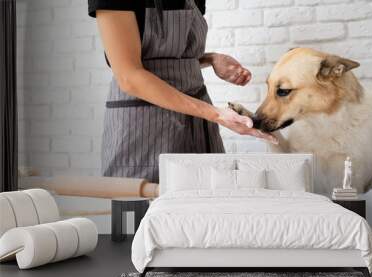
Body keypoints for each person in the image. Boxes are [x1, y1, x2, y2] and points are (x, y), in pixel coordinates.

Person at [88, 0, 276, 182]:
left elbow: (168, 57)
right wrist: (216, 114)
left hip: (198, 121)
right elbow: (129, 76)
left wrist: (211, 59)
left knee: (209, 204)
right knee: (143, 208)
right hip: (143, 126)